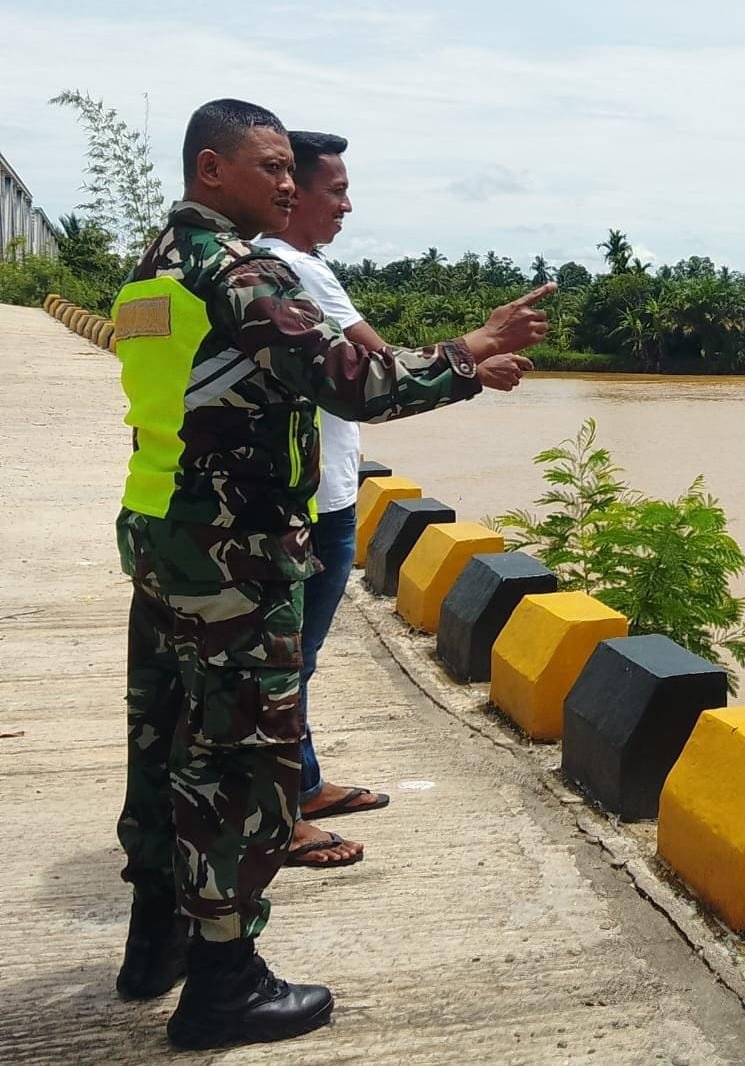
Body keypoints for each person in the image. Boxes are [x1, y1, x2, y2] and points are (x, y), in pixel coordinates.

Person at [112, 98, 553, 1050]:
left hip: (160, 530)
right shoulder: (242, 271)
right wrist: (474, 351)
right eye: (269, 167)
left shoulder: (153, 267)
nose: (286, 182)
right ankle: (225, 981)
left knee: (164, 740)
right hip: (233, 548)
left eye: (289, 168)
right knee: (238, 760)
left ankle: (156, 944)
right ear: (211, 170)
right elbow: (354, 382)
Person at [254, 132, 388, 870]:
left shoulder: (260, 266)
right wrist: (475, 352)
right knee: (290, 664)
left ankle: (301, 786)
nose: (346, 205)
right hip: (316, 498)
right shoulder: (297, 269)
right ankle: (281, 815)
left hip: (303, 485)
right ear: (292, 192)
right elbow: (376, 367)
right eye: (333, 190)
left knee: (288, 662)